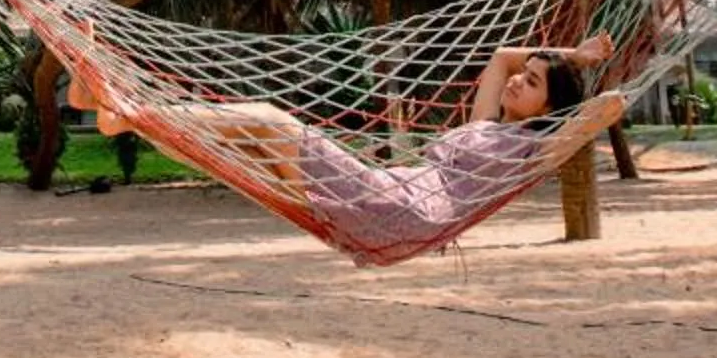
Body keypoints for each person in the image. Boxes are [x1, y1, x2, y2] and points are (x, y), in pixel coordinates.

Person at [69, 32, 624, 259]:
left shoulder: (528, 154)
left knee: (267, 121)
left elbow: (592, 117)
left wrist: (583, 90)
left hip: (407, 210)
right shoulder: (485, 124)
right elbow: (502, 55)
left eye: (531, 84)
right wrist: (569, 55)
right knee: (244, 151)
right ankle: (124, 119)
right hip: (394, 199)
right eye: (522, 76)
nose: (515, 80)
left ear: (548, 110)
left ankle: (123, 108)